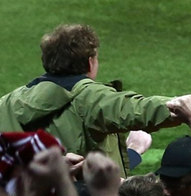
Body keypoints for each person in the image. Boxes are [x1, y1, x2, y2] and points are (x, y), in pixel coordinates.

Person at [0, 24, 175, 171]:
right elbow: (140, 109)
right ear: (91, 62)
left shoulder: (7, 103)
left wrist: (132, 154)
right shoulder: (90, 98)